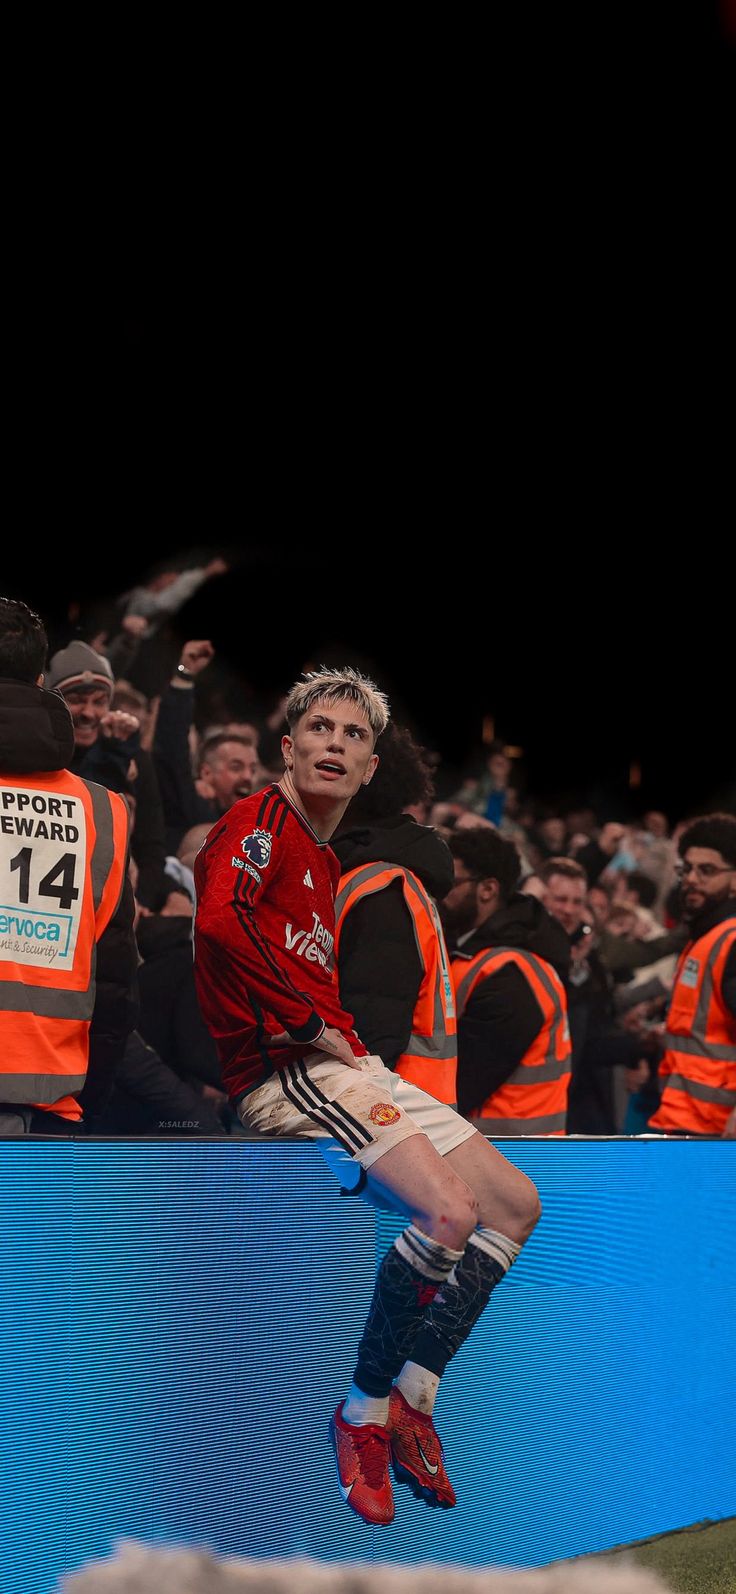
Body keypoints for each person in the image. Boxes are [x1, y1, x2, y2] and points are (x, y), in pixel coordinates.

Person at [193, 668, 540, 1526]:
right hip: (288, 1070)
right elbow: (218, 921)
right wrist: (310, 1019)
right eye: (321, 729)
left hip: (352, 1064)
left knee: (515, 1205)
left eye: (353, 736)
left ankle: (416, 1394)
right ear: (289, 745)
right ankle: (361, 1417)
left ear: (372, 765)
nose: (335, 745)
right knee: (449, 1218)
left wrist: (336, 1031)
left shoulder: (323, 851)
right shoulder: (259, 822)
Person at [0, 597, 137, 1133]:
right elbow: (120, 984)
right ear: (40, 678)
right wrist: (89, 1103)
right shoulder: (104, 809)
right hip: (52, 1106)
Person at [332, 723, 457, 1105]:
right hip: (390, 1123)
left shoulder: (382, 889)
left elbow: (372, 1038)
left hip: (387, 1123)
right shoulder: (366, 874)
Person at [442, 829, 571, 1133]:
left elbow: (465, 1083)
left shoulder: (511, 976)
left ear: (487, 889)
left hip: (511, 1151)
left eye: (453, 881)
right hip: (499, 1148)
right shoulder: (482, 956)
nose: (441, 891)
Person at [45, 638, 168, 911]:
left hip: (124, 902)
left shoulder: (133, 758)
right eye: (76, 701)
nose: (89, 713)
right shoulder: (41, 757)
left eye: (99, 702)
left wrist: (141, 904)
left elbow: (151, 847)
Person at [648, 813, 736, 1138]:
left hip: (716, 1134)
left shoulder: (729, 940)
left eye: (707, 870)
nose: (692, 879)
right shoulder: (704, 937)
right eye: (687, 868)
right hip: (687, 1124)